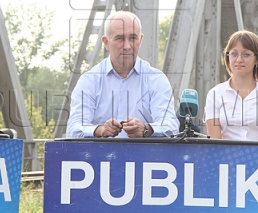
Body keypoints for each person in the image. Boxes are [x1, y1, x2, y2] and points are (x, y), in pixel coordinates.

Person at [67, 10, 178, 138]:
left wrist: (146, 129)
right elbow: (73, 129)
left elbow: (171, 126)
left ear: (140, 40)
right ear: (106, 42)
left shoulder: (156, 80)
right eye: (120, 38)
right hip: (101, 157)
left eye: (133, 38)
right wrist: (101, 130)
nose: (127, 46)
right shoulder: (89, 81)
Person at [204, 30, 258, 141]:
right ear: (228, 58)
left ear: (257, 59)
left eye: (246, 54)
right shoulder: (215, 94)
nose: (239, 59)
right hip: (226, 158)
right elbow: (215, 144)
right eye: (234, 54)